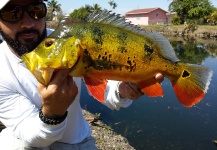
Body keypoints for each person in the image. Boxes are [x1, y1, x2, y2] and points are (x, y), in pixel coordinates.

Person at [0, 0, 164, 149]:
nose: (28, 23)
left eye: (36, 10)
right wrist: (52, 114)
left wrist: (122, 91)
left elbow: (107, 88)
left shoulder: (65, 39)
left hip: (76, 142)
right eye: (12, 13)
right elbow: (28, 133)